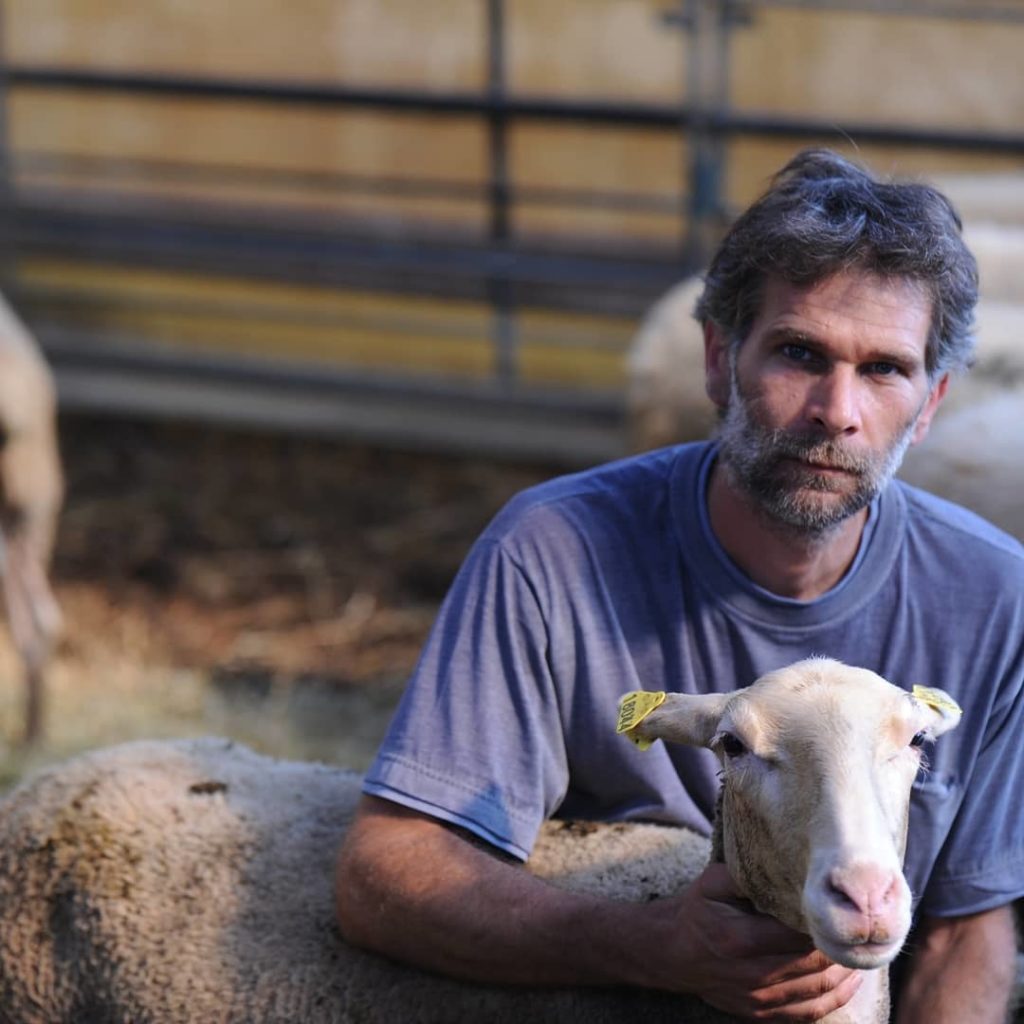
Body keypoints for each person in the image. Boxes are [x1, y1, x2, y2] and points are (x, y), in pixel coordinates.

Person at [335, 149, 1024, 1022]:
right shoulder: (552, 554)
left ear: (930, 404)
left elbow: (968, 930)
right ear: (717, 359)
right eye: (798, 352)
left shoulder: (994, 597)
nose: (836, 411)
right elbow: (384, 871)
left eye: (884, 369)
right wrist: (653, 946)